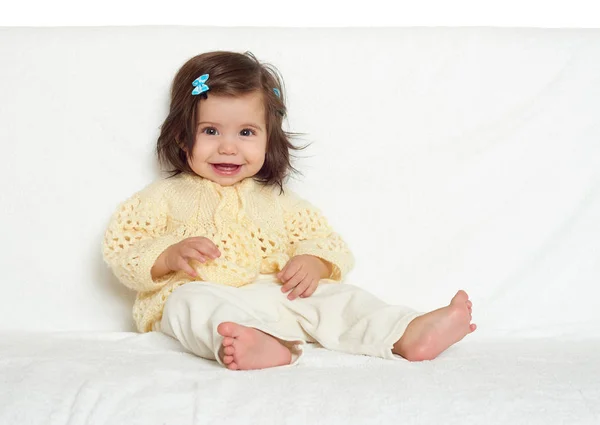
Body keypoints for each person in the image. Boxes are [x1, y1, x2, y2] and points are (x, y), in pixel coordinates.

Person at [102, 51, 476, 371]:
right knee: (189, 304)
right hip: (203, 292)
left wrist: (313, 262)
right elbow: (124, 251)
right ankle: (259, 343)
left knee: (335, 297)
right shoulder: (162, 197)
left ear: (269, 138)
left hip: (276, 294)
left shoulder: (279, 202)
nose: (228, 148)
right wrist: (166, 256)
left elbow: (326, 241)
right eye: (211, 131)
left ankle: (404, 333)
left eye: (246, 133)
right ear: (183, 137)